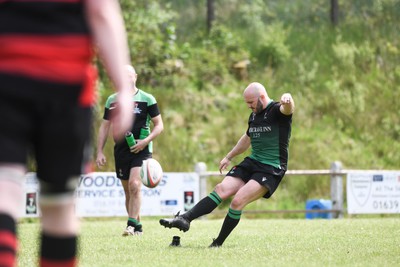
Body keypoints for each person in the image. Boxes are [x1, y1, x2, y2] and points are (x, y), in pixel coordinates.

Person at [0, 1, 133, 267]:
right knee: (59, 207)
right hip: (66, 89)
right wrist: (124, 89)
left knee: (4, 192)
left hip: (6, 82)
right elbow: (102, 12)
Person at [160, 82, 294, 247]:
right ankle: (185, 219)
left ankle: (217, 243)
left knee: (237, 201)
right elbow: (246, 139)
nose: (248, 106)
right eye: (246, 103)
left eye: (251, 102)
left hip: (271, 167)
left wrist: (288, 98)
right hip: (252, 162)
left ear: (262, 97)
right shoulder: (254, 115)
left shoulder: (277, 110)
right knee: (220, 189)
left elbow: (288, 110)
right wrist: (229, 156)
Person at [96, 65, 164, 236]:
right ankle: (137, 226)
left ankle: (130, 225)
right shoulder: (112, 100)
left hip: (142, 150)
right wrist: (99, 151)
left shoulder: (147, 98)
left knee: (135, 185)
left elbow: (159, 125)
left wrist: (145, 141)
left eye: (129, 75)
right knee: (128, 191)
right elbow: (104, 127)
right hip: (121, 151)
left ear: (135, 76)